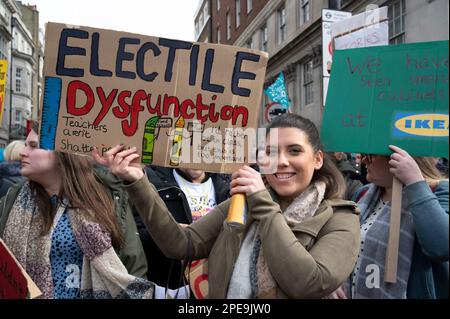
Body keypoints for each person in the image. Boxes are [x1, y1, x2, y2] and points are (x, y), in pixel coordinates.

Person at [94, 113, 361, 298]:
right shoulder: (241, 205)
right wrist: (139, 182)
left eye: (294, 151)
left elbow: (308, 283)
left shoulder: (340, 217)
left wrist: (264, 205)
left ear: (317, 159)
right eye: (269, 152)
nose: (281, 162)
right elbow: (180, 244)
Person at [0, 122, 153, 299]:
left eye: (33, 146)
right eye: (25, 145)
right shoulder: (14, 198)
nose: (23, 152)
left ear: (61, 155)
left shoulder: (106, 197)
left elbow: (132, 265)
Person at [331, 146, 448, 299]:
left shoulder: (439, 190)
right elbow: (343, 245)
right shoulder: (364, 194)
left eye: (371, 155)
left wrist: (415, 183)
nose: (365, 160)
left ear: (399, 158)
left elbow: (441, 247)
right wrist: (334, 281)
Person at [133, 166, 230, 298]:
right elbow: (138, 232)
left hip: (220, 283)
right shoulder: (153, 182)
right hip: (173, 285)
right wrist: (170, 232)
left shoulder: (230, 184)